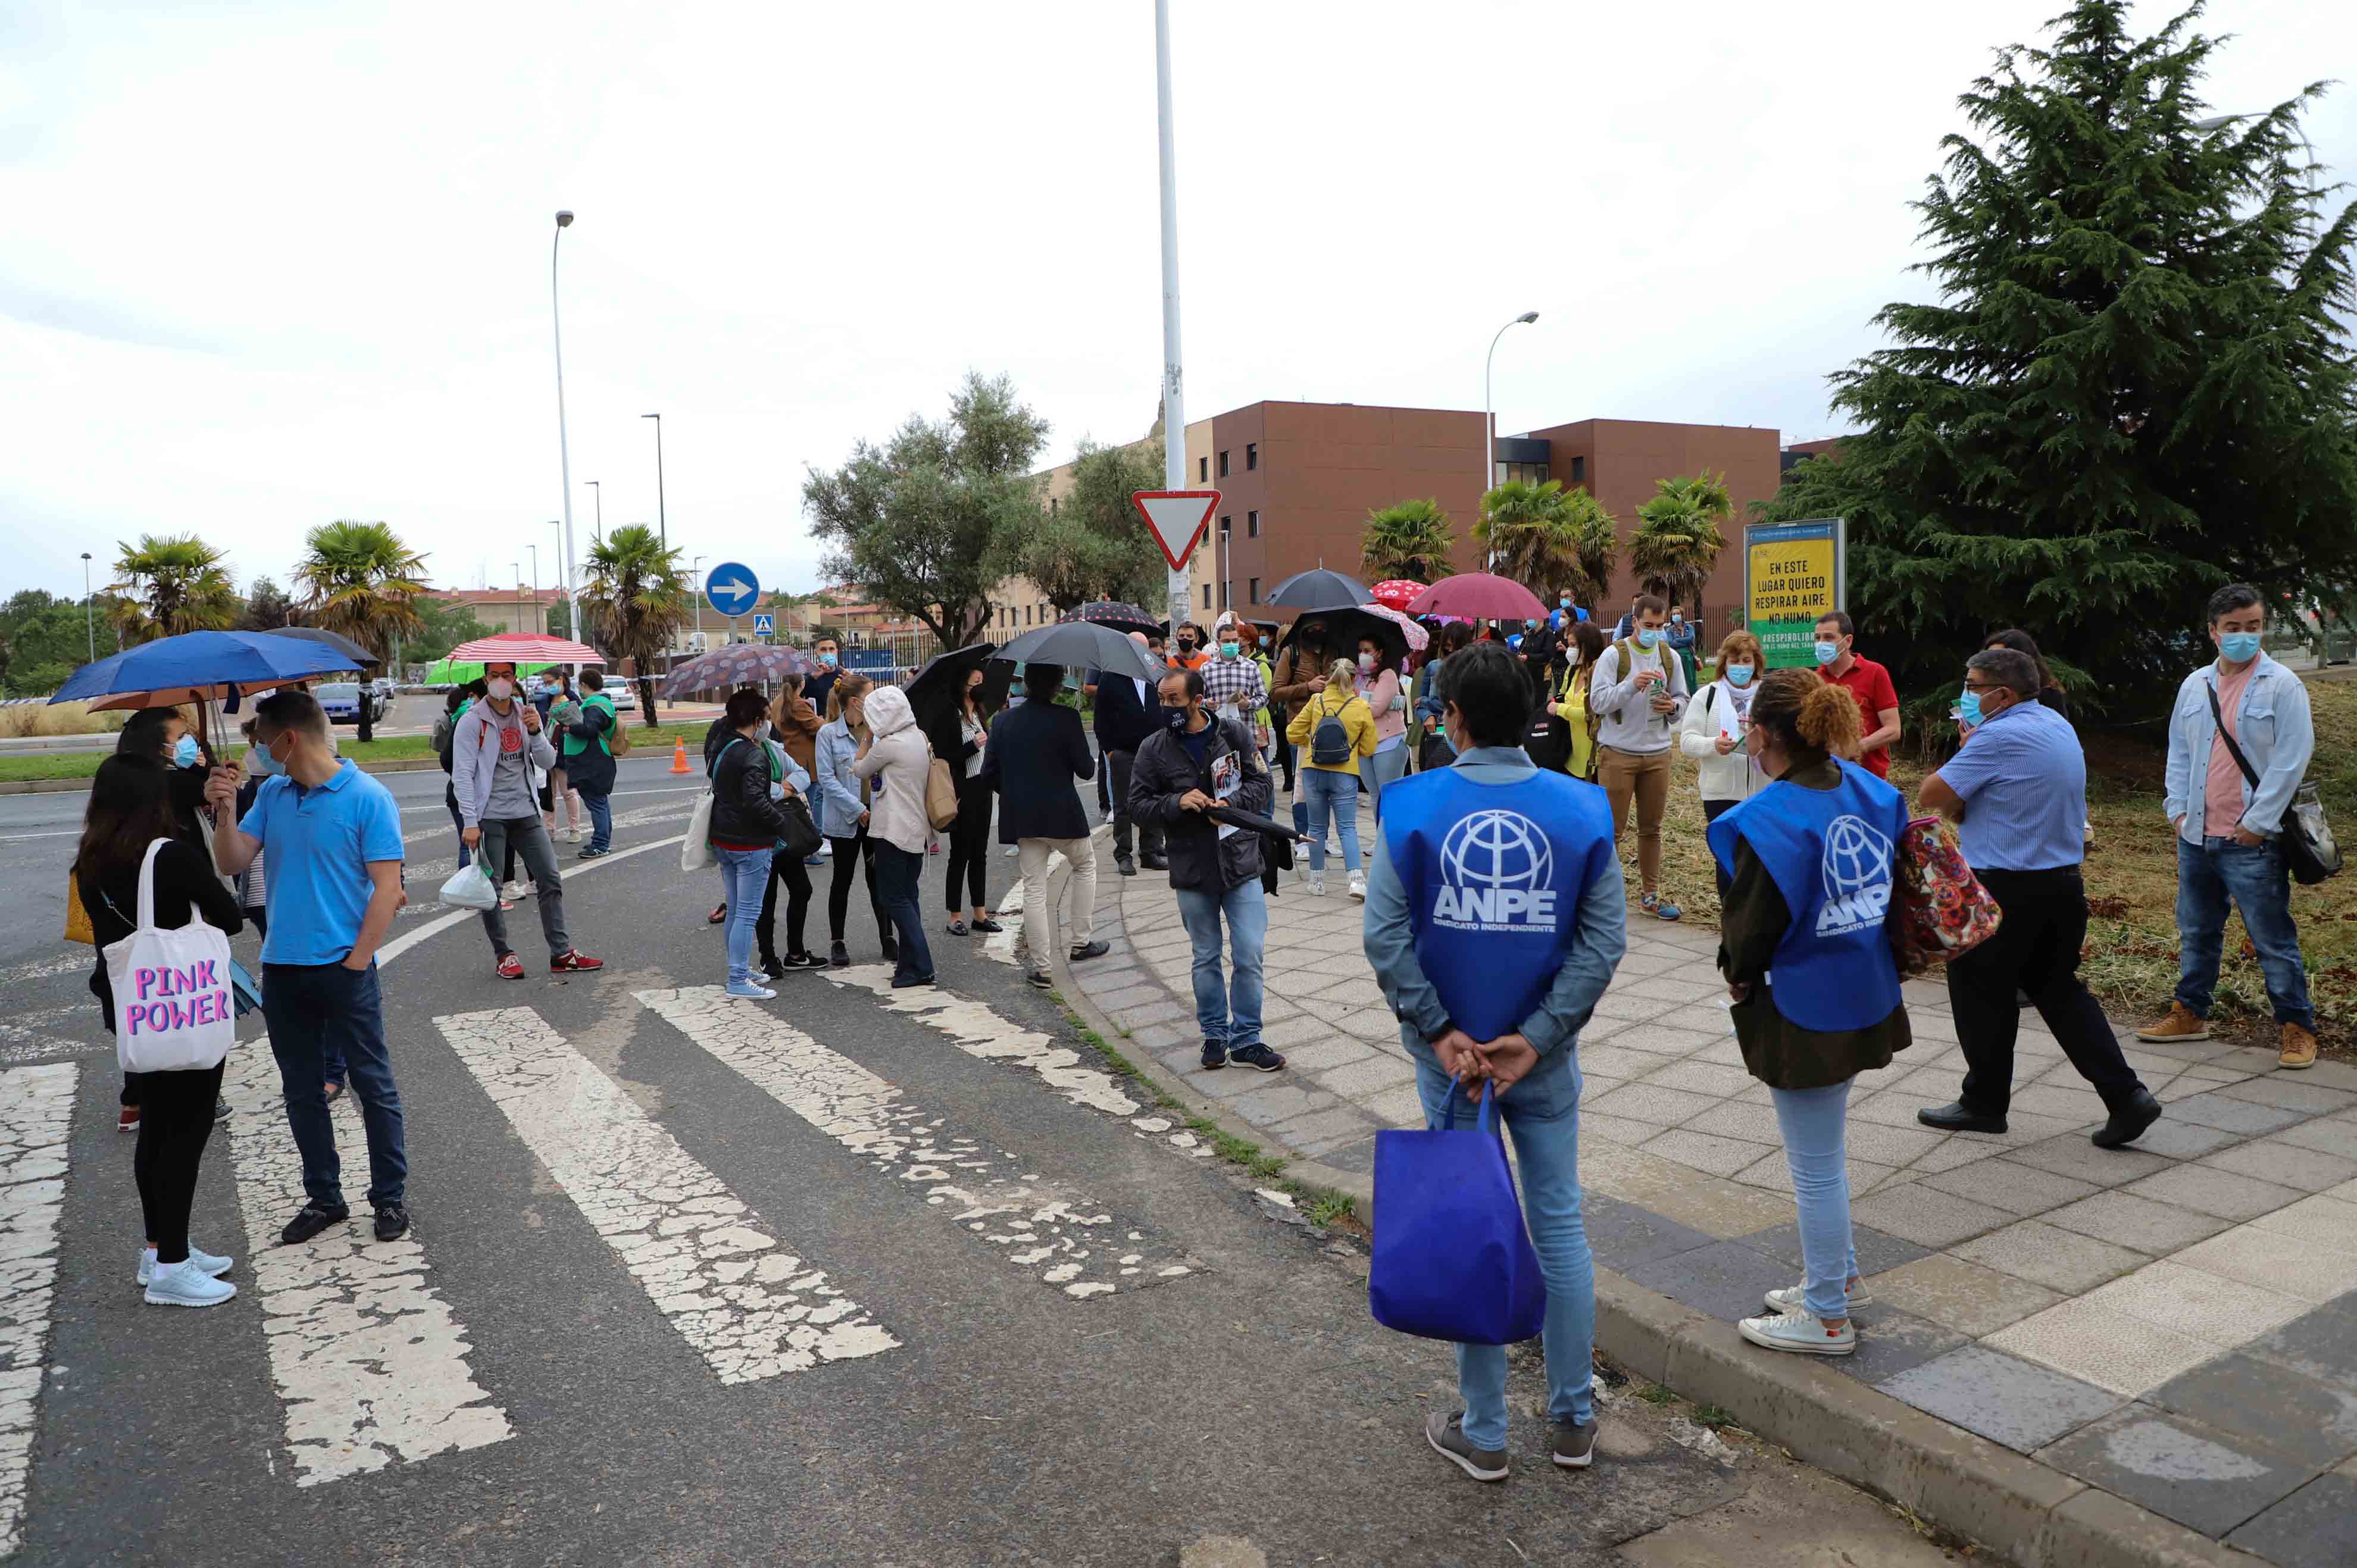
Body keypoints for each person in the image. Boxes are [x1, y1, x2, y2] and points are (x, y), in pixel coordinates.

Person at [1361, 639, 1624, 1481]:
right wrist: (1540, 1033)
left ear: (1455, 719)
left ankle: (1484, 1430)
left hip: (1454, 1065)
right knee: (1558, 1229)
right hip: (1538, 1062)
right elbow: (1602, 940)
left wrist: (1443, 1032)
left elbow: (1385, 935)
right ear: (1537, 714)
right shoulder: (1585, 811)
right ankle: (1574, 1417)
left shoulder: (1410, 807)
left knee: (1472, 1224)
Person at [1708, 671, 1911, 1357]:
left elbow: (1749, 928)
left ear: (1762, 734)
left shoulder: (1765, 820)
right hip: (1867, 988)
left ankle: (1826, 1313)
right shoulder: (1875, 793)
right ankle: (1840, 1278)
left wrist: (1735, 976)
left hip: (1804, 1004)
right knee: (1826, 1149)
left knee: (1817, 1165)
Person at [1915, 648, 2162, 1147]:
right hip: (2063, 884)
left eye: (1974, 684)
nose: (1966, 693)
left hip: (2005, 887)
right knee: (2059, 990)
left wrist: (1967, 751)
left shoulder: (1997, 735)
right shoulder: (2055, 723)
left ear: (2002, 694)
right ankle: (2127, 1094)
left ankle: (1984, 1103)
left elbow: (1931, 796)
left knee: (1980, 991)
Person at [206, 690, 414, 1245]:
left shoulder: (368, 796)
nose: (257, 753)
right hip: (283, 970)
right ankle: (325, 1197)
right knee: (301, 1092)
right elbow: (231, 861)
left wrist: (356, 964)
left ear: (288, 739)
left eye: (260, 742)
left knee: (374, 1086)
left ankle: (389, 1198)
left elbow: (387, 887)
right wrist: (224, 810)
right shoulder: (272, 794)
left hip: (343, 969)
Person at [77, 755, 244, 1306]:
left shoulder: (92, 858)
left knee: (155, 1133)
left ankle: (160, 1248)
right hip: (183, 1012)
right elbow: (230, 915)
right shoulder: (168, 854)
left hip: (140, 1012)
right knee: (184, 1137)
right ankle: (173, 1265)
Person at [2145, 584, 2320, 1069]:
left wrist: (2258, 824)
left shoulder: (2282, 684)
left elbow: (2291, 761)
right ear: (2213, 632)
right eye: (2233, 628)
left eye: (2254, 626)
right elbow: (2179, 753)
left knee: (2271, 936)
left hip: (2251, 840)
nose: (2244, 636)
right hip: (2196, 835)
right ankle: (2191, 1012)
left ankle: (2298, 1026)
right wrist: (2177, 812)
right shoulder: (2194, 684)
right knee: (2197, 927)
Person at [1131, 667, 1285, 1073]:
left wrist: (1230, 807)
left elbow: (1262, 784)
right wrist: (1176, 802)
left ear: (1198, 700)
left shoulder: (1234, 735)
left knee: (1250, 952)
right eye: (1162, 699)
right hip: (1191, 866)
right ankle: (1215, 1035)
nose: (1166, 707)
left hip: (1241, 862)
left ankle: (1248, 1040)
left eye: (1174, 700)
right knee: (1206, 955)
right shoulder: (1153, 748)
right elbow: (1138, 805)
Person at [453, 661, 604, 979]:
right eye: (494, 676)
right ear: (485, 679)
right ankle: (504, 954)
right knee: (491, 890)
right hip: (490, 816)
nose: (501, 682)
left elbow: (549, 761)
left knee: (550, 879)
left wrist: (536, 732)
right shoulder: (471, 721)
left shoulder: (528, 715)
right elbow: (462, 775)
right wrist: (469, 820)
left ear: (515, 678)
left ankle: (561, 953)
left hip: (527, 812)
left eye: (506, 676)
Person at [981, 662, 1106, 989]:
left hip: (1022, 814)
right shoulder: (1067, 718)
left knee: (1033, 887)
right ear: (1056, 687)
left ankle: (1042, 967)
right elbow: (1086, 771)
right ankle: (1080, 942)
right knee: (1085, 865)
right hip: (1062, 812)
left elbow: (989, 773)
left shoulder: (1003, 721)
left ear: (1026, 684)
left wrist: (1014, 792)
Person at [1589, 595, 1691, 921]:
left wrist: (1673, 708)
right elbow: (1599, 702)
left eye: (1660, 626)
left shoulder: (1669, 656)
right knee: (1612, 830)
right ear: (1634, 622)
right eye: (1648, 625)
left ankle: (1650, 895)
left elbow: (1683, 701)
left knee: (1652, 829)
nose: (1655, 632)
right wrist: (1631, 685)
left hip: (1658, 753)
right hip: (1618, 753)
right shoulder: (1613, 655)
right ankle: (1604, 900)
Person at [707, 688, 800, 999]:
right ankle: (737, 978)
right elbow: (757, 802)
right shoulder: (753, 754)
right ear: (757, 720)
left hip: (724, 838)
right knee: (747, 913)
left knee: (735, 908)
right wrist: (782, 825)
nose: (769, 725)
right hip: (750, 843)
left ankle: (741, 968)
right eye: (766, 719)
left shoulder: (721, 743)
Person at [848, 683, 936, 989]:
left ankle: (922, 965)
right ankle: (908, 964)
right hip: (917, 830)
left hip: (893, 831)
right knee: (908, 896)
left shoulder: (888, 746)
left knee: (892, 897)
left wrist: (868, 738)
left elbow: (858, 769)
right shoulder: (919, 737)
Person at [1679, 630, 1769, 904]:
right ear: (1723, 663)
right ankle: (1730, 917)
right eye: (1734, 660)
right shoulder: (1706, 696)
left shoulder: (1768, 695)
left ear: (1756, 663)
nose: (1740, 667)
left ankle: (1755, 917)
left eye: (1746, 660)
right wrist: (1713, 745)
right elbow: (1687, 742)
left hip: (1762, 791)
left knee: (1758, 858)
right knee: (1728, 860)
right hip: (1720, 793)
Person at [813, 674, 893, 969]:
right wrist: (858, 809)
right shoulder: (828, 734)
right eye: (871, 694)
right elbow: (826, 780)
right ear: (856, 701)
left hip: (877, 817)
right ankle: (838, 941)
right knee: (842, 881)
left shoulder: (879, 732)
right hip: (846, 820)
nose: (877, 699)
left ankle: (888, 937)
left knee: (879, 881)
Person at [1286, 657, 1378, 898]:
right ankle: (1356, 880)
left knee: (1316, 827)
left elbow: (1292, 733)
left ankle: (1316, 882)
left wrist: (1311, 742)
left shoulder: (1317, 700)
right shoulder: (1361, 707)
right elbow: (1369, 748)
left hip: (1313, 770)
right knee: (1347, 827)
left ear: (1329, 676)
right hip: (1345, 773)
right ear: (1354, 678)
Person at [929, 666, 1001, 936]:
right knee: (960, 854)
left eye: (983, 681)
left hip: (982, 788)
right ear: (963, 687)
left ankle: (980, 914)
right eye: (976, 683)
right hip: (962, 791)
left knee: (980, 853)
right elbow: (946, 757)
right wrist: (974, 745)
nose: (981, 686)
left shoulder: (980, 714)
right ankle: (954, 916)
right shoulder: (949, 716)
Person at [1090, 633, 1164, 877]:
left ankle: (1150, 851)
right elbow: (1100, 718)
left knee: (1153, 800)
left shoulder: (1156, 677)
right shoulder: (1112, 677)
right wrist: (1109, 750)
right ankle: (1123, 854)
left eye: (1144, 649)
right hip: (1123, 752)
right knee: (1123, 805)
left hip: (1154, 752)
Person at [1813, 612, 1902, 780]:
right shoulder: (1815, 680)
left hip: (1869, 777)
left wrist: (1857, 747)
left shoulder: (1875, 673)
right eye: (1817, 638)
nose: (1821, 644)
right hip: (1827, 778)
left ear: (1848, 641)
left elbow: (1893, 729)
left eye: (1829, 638)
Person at [561, 669, 620, 859]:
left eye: (580, 685)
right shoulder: (601, 704)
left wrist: (570, 727)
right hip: (594, 761)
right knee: (600, 803)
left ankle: (601, 844)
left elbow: (590, 729)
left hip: (592, 763)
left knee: (597, 803)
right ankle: (602, 842)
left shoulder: (596, 706)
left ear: (585, 685)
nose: (579, 688)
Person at [1355, 635, 1410, 819]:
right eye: (1360, 651)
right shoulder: (1364, 679)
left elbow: (1376, 708)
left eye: (1367, 651)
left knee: (1389, 795)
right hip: (1366, 743)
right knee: (1374, 796)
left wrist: (1352, 708)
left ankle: (1392, 840)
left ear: (1379, 653)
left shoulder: (1387, 675)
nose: (1363, 655)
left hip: (1389, 741)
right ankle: (1381, 838)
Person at [1551, 621, 1609, 783]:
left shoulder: (1601, 673)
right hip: (1570, 754)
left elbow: (1590, 713)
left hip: (1594, 757)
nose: (1570, 650)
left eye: (1573, 645)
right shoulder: (1572, 670)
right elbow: (1562, 695)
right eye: (1569, 645)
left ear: (1587, 646)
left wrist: (1560, 708)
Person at [544, 671, 585, 843]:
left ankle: (574, 829)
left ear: (561, 680)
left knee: (568, 792)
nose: (548, 686)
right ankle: (549, 829)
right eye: (545, 683)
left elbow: (580, 724)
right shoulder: (545, 700)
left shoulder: (573, 699)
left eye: (550, 682)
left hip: (564, 750)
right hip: (546, 750)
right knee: (547, 794)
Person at [804, 634, 844, 716]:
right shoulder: (809, 676)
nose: (828, 653)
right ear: (816, 653)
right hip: (817, 724)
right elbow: (795, 697)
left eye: (831, 649)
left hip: (840, 724)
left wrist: (852, 681)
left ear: (836, 652)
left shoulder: (844, 676)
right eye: (823, 650)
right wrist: (812, 677)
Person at [1663, 605, 1699, 691]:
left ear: (1682, 615)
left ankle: (1694, 698)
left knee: (1691, 680)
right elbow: (1671, 643)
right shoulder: (1669, 630)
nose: (1676, 615)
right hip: (1676, 657)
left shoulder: (1689, 627)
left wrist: (1678, 640)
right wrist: (1685, 642)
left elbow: (1691, 639)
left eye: (1678, 614)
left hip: (1689, 657)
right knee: (1677, 680)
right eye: (1674, 614)